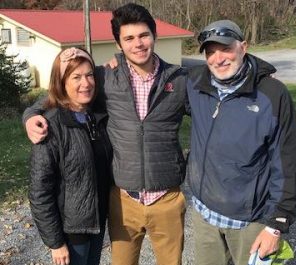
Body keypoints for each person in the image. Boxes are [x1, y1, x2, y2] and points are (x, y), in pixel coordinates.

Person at [23, 4, 187, 265]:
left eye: (143, 35)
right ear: (119, 43)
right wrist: (31, 114)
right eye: (129, 38)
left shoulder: (179, 81)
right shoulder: (105, 76)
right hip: (123, 202)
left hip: (166, 198)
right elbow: (63, 91)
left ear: (154, 35)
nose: (138, 44)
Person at [186, 20, 296, 265]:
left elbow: (289, 164)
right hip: (204, 215)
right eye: (210, 52)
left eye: (225, 48)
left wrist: (276, 225)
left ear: (243, 47)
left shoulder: (272, 94)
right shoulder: (195, 83)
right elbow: (154, 76)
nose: (218, 59)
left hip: (250, 222)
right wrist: (116, 64)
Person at [28, 47, 112, 265]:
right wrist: (55, 242)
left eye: (89, 75)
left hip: (98, 221)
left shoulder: (98, 115)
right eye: (76, 77)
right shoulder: (51, 125)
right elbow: (40, 192)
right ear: (61, 82)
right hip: (72, 231)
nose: (85, 83)